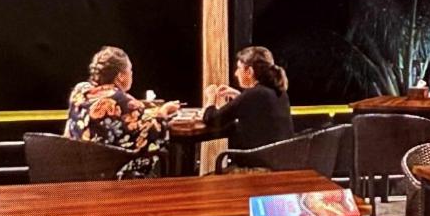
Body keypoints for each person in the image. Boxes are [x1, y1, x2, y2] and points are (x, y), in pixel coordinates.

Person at [65, 45, 180, 176]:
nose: (131, 74)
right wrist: (163, 112)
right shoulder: (123, 101)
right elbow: (150, 134)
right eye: (130, 70)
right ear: (120, 76)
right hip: (110, 176)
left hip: (77, 172)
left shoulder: (79, 91)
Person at [202, 45, 294, 150]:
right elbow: (257, 109)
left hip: (258, 159)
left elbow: (212, 119)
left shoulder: (253, 94)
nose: (236, 74)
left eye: (239, 68)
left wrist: (211, 96)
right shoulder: (279, 92)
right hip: (282, 157)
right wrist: (239, 96)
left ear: (249, 71)